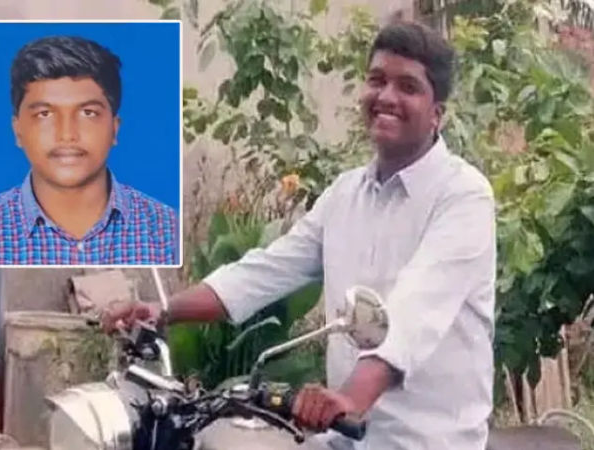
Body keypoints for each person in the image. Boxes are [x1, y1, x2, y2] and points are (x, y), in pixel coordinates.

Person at [104, 21, 496, 450]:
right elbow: (266, 270)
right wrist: (161, 312)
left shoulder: (463, 196)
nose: (386, 96)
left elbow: (416, 311)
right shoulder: (345, 193)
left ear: (437, 112)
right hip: (345, 439)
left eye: (408, 87)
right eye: (377, 80)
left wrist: (351, 397)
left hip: (428, 442)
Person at [0, 36, 178, 265]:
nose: (66, 134)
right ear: (18, 131)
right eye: (44, 114)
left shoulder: (171, 235)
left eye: (88, 113)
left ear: (114, 129)